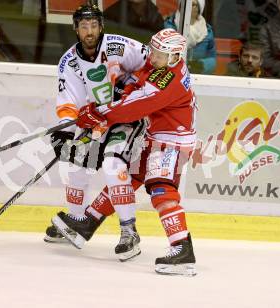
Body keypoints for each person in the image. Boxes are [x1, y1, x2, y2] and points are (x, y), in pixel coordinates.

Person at [54, 28, 197, 276]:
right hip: (158, 137)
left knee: (161, 188)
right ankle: (88, 222)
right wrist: (114, 98)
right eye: (152, 50)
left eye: (159, 54)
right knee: (129, 179)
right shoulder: (162, 66)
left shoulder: (167, 80)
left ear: (174, 56)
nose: (152, 56)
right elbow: (139, 83)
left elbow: (137, 105)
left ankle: (182, 248)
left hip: (171, 142)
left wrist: (100, 113)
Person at [46, 4, 148, 262]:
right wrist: (66, 132)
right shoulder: (68, 62)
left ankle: (129, 232)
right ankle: (76, 222)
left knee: (114, 166)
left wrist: (129, 90)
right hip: (97, 122)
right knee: (75, 161)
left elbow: (151, 64)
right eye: (83, 26)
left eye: (93, 25)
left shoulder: (118, 46)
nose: (89, 31)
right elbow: (69, 101)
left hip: (126, 119)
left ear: (101, 27)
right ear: (76, 29)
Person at [165, 0, 216, 74]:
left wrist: (200, 65)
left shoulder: (207, 32)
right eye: (188, 4)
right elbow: (161, 54)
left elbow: (212, 59)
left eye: (194, 5)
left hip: (198, 76)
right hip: (173, 75)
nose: (189, 7)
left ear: (199, 8)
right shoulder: (169, 27)